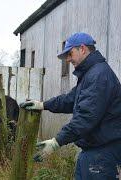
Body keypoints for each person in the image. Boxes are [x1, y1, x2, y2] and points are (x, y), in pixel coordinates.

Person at [20, 32, 121, 179]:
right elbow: (70, 99)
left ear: (82, 49)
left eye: (70, 53)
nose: (68, 59)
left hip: (102, 154)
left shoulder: (98, 76)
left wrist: (56, 142)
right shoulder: (90, 74)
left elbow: (86, 118)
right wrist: (43, 105)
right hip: (93, 152)